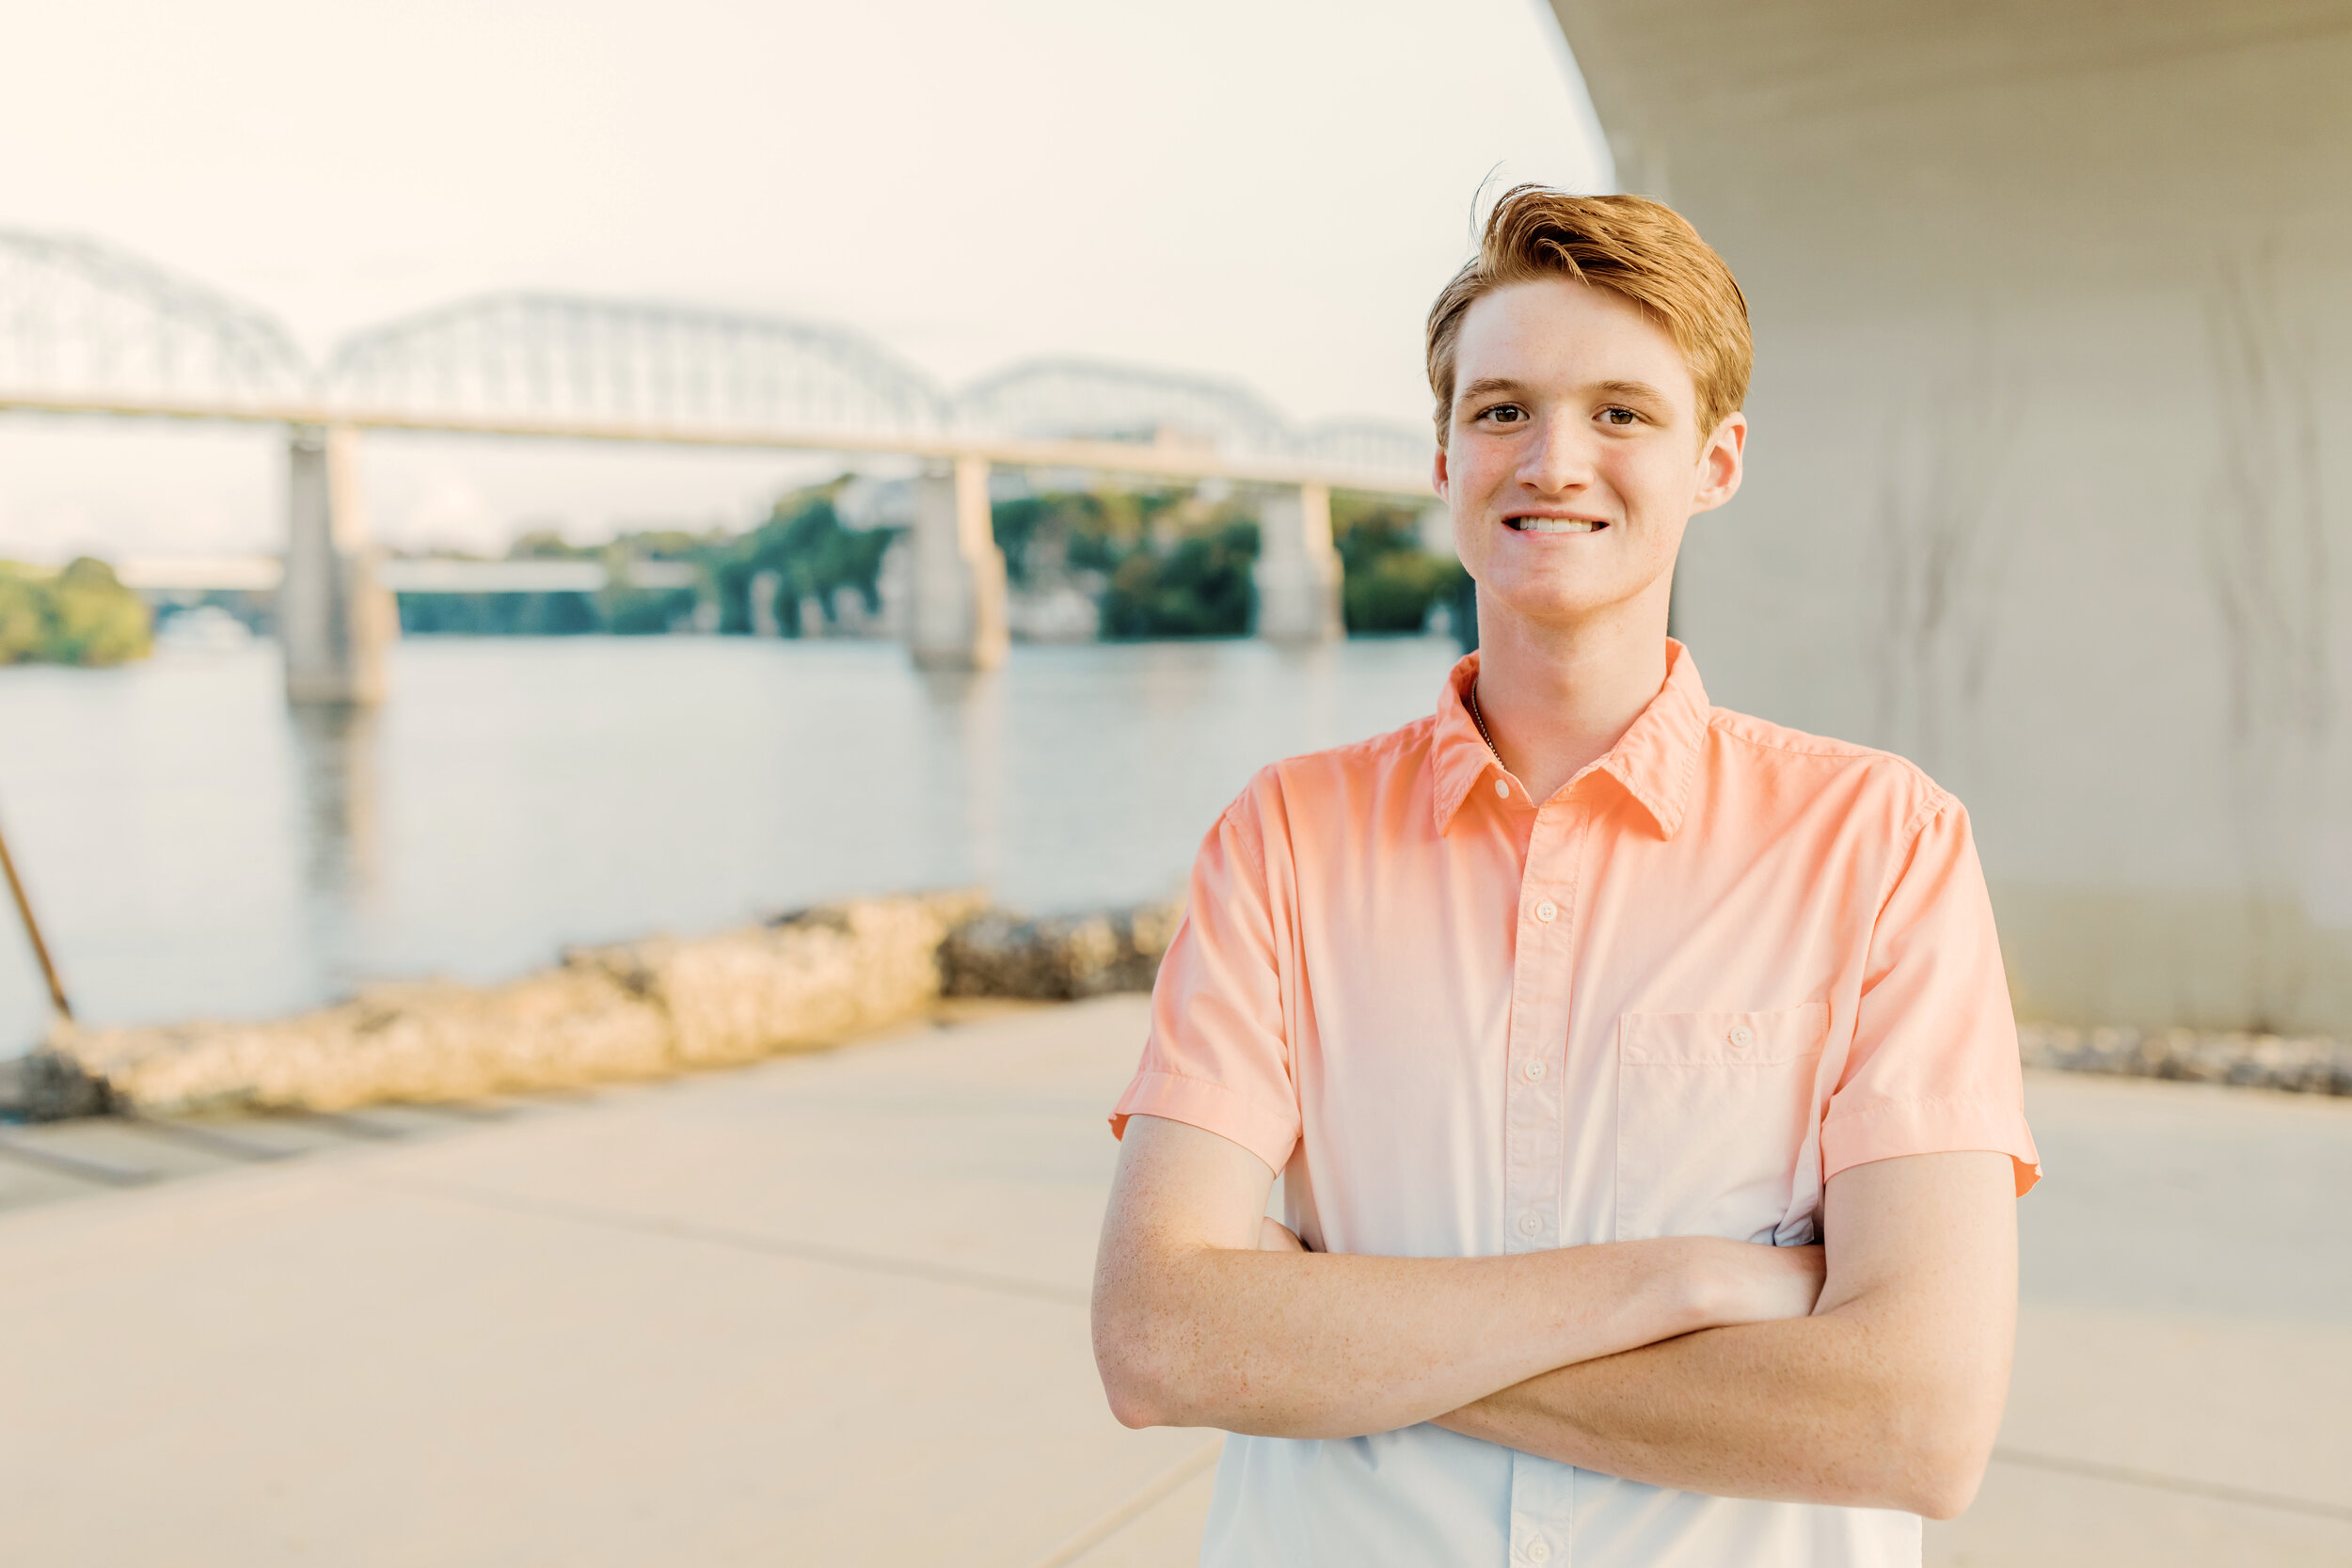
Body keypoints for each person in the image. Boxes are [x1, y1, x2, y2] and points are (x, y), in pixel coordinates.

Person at [1089, 186, 2042, 1567]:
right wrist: (1679, 1282)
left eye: (1621, 412)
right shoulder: (1283, 838)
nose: (1553, 460)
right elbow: (1161, 1342)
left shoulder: (1881, 844)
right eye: (1501, 410)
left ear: (1714, 461)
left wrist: (1331, 1339)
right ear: (1442, 456)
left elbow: (1915, 1426)